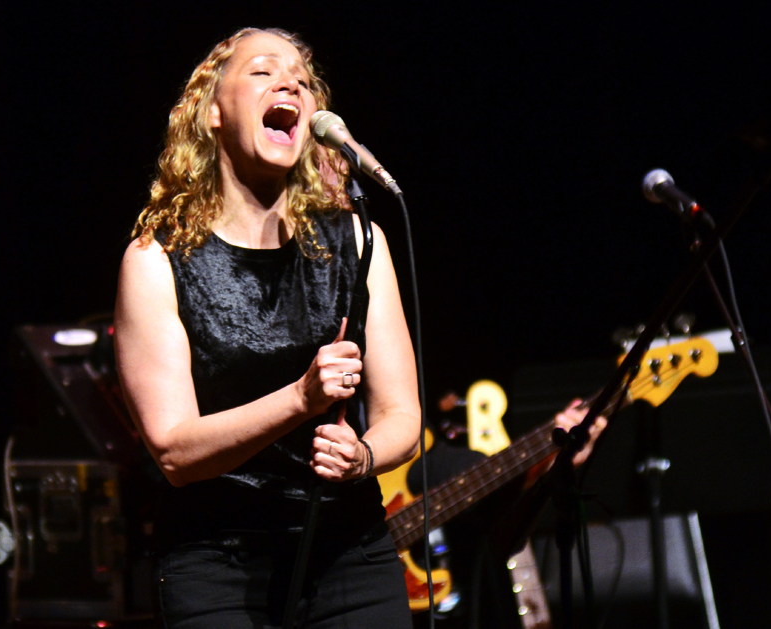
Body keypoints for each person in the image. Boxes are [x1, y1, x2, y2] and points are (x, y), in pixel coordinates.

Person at [114, 27, 605, 629]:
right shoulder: (157, 261)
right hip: (220, 563)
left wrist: (365, 457)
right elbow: (173, 450)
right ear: (212, 112)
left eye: (301, 75)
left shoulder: (357, 240)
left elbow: (402, 413)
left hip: (352, 557)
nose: (289, 80)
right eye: (263, 71)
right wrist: (301, 398)